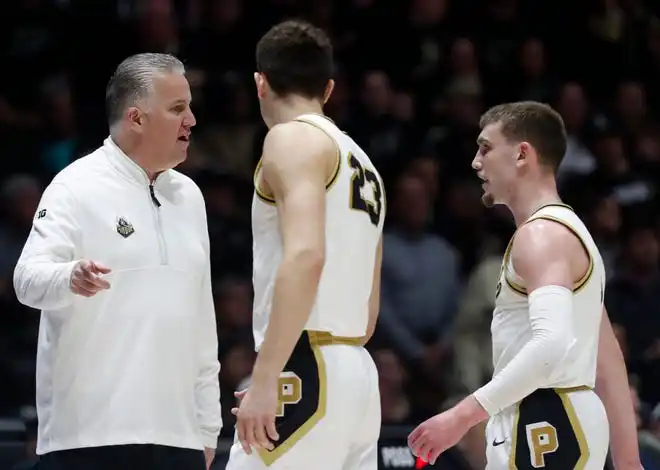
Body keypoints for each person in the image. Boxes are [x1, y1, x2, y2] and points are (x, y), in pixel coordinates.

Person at [13, 53, 221, 470]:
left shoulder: (191, 198)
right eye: (178, 108)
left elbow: (202, 322)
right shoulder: (75, 185)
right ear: (136, 118)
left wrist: (207, 427)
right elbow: (27, 279)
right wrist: (69, 276)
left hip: (177, 440)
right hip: (87, 438)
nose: (192, 121)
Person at [408, 101, 643, 470]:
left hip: (546, 420)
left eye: (486, 148)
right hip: (560, 419)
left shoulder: (541, 236)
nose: (475, 162)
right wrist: (629, 460)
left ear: (522, 154)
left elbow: (551, 344)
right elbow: (608, 357)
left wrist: (461, 416)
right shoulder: (565, 230)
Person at [226, 20, 385, 470]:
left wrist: (266, 375)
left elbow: (306, 255)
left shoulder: (290, 138)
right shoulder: (364, 163)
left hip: (306, 367)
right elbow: (370, 307)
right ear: (328, 88)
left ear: (260, 83)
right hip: (357, 372)